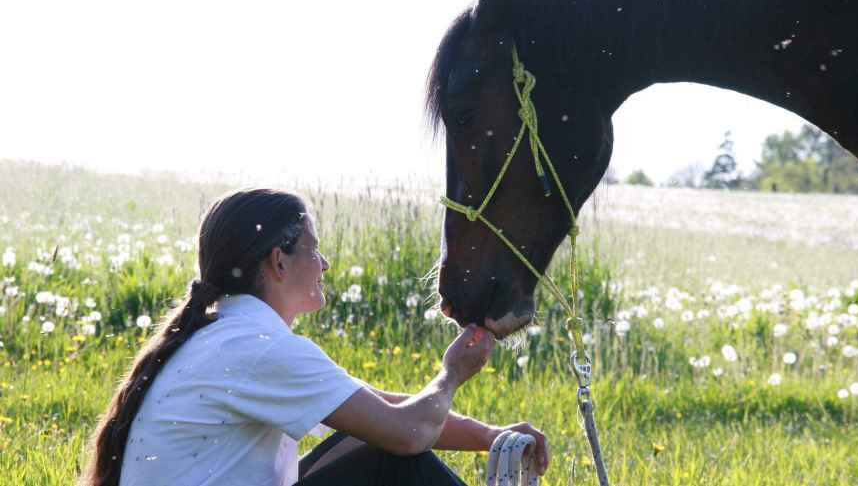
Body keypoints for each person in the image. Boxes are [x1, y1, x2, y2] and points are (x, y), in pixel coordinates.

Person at [78, 187, 549, 486]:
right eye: (314, 250)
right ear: (278, 263)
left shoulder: (232, 335)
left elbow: (385, 410)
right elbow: (408, 432)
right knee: (394, 459)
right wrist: (451, 374)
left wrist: (492, 436)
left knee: (377, 446)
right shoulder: (255, 348)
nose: (324, 265)